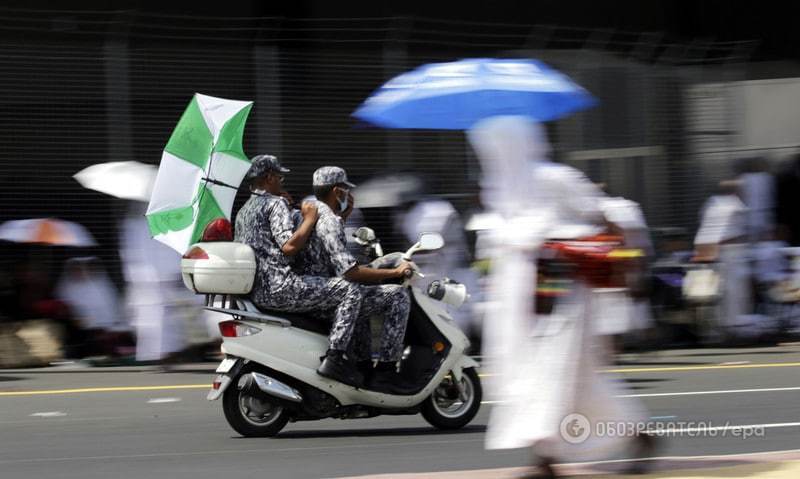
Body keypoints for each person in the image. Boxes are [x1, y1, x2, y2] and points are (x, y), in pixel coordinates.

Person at [468, 116, 652, 477]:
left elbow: (607, 219)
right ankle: (629, 436)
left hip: (561, 288)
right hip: (522, 292)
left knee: (554, 371)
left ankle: (548, 459)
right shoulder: (500, 189)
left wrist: (566, 242)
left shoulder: (555, 177)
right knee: (547, 373)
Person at [234, 155, 365, 387]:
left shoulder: (243, 210)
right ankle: (335, 358)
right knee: (350, 290)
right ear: (269, 177)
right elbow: (289, 247)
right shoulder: (274, 204)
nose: (281, 183)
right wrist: (309, 218)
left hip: (258, 291)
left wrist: (341, 217)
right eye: (280, 177)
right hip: (282, 287)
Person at [297, 166, 414, 393]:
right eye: (346, 191)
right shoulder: (328, 220)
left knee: (364, 294)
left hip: (318, 289)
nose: (349, 196)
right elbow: (349, 273)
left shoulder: (316, 214)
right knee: (397, 296)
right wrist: (395, 272)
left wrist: (344, 216)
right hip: (326, 297)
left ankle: (363, 365)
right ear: (337, 191)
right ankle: (386, 372)